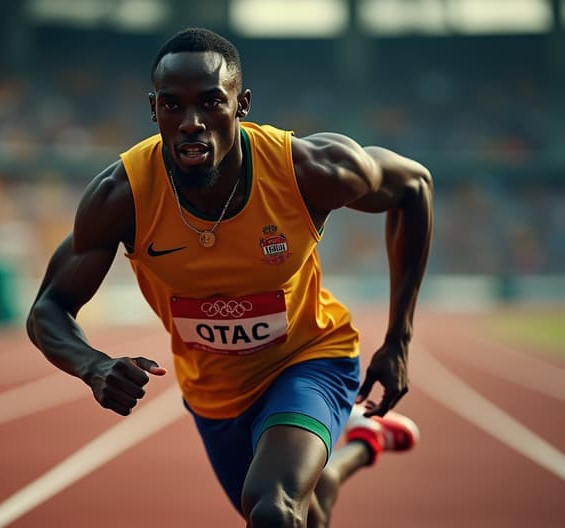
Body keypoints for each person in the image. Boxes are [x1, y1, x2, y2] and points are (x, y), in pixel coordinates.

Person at [27, 27, 433, 528]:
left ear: (242, 104)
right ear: (153, 110)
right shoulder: (121, 196)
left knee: (273, 507)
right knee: (309, 514)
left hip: (308, 359)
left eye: (210, 103)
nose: (191, 122)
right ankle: (364, 442)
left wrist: (398, 341)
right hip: (212, 393)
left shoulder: (308, 170)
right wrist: (92, 366)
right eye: (172, 106)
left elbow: (414, 186)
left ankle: (339, 434)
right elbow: (48, 307)